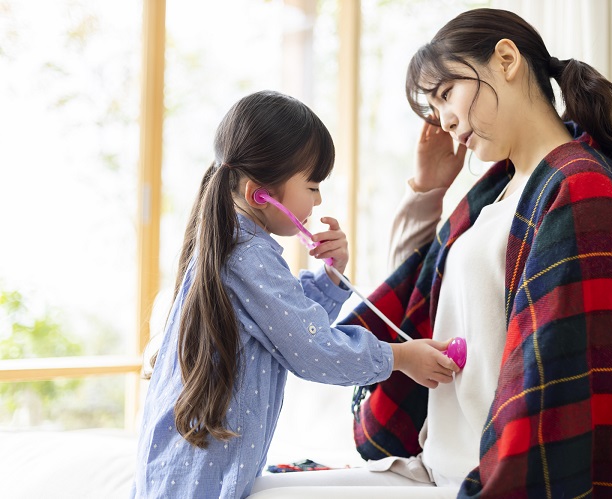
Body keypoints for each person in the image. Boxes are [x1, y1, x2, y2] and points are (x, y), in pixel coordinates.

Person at [250, 8, 612, 499]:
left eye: (445, 94)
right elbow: (418, 304)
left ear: (506, 59)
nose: (445, 120)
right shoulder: (495, 193)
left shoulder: (576, 190)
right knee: (248, 487)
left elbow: (553, 383)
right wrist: (428, 190)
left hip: (484, 478)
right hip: (434, 465)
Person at [131, 90, 459, 499]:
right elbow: (313, 348)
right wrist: (400, 357)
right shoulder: (248, 256)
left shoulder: (235, 247)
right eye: (313, 184)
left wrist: (333, 280)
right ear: (259, 195)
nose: (319, 199)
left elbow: (283, 323)